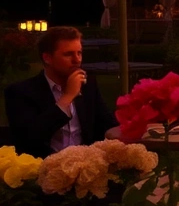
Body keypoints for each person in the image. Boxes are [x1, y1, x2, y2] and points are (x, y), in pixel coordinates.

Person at [4, 27, 117, 158]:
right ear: (47, 58)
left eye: (79, 53)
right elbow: (29, 139)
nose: (77, 60)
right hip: (44, 170)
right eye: (68, 54)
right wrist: (67, 97)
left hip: (87, 166)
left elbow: (107, 123)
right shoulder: (20, 92)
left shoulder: (88, 85)